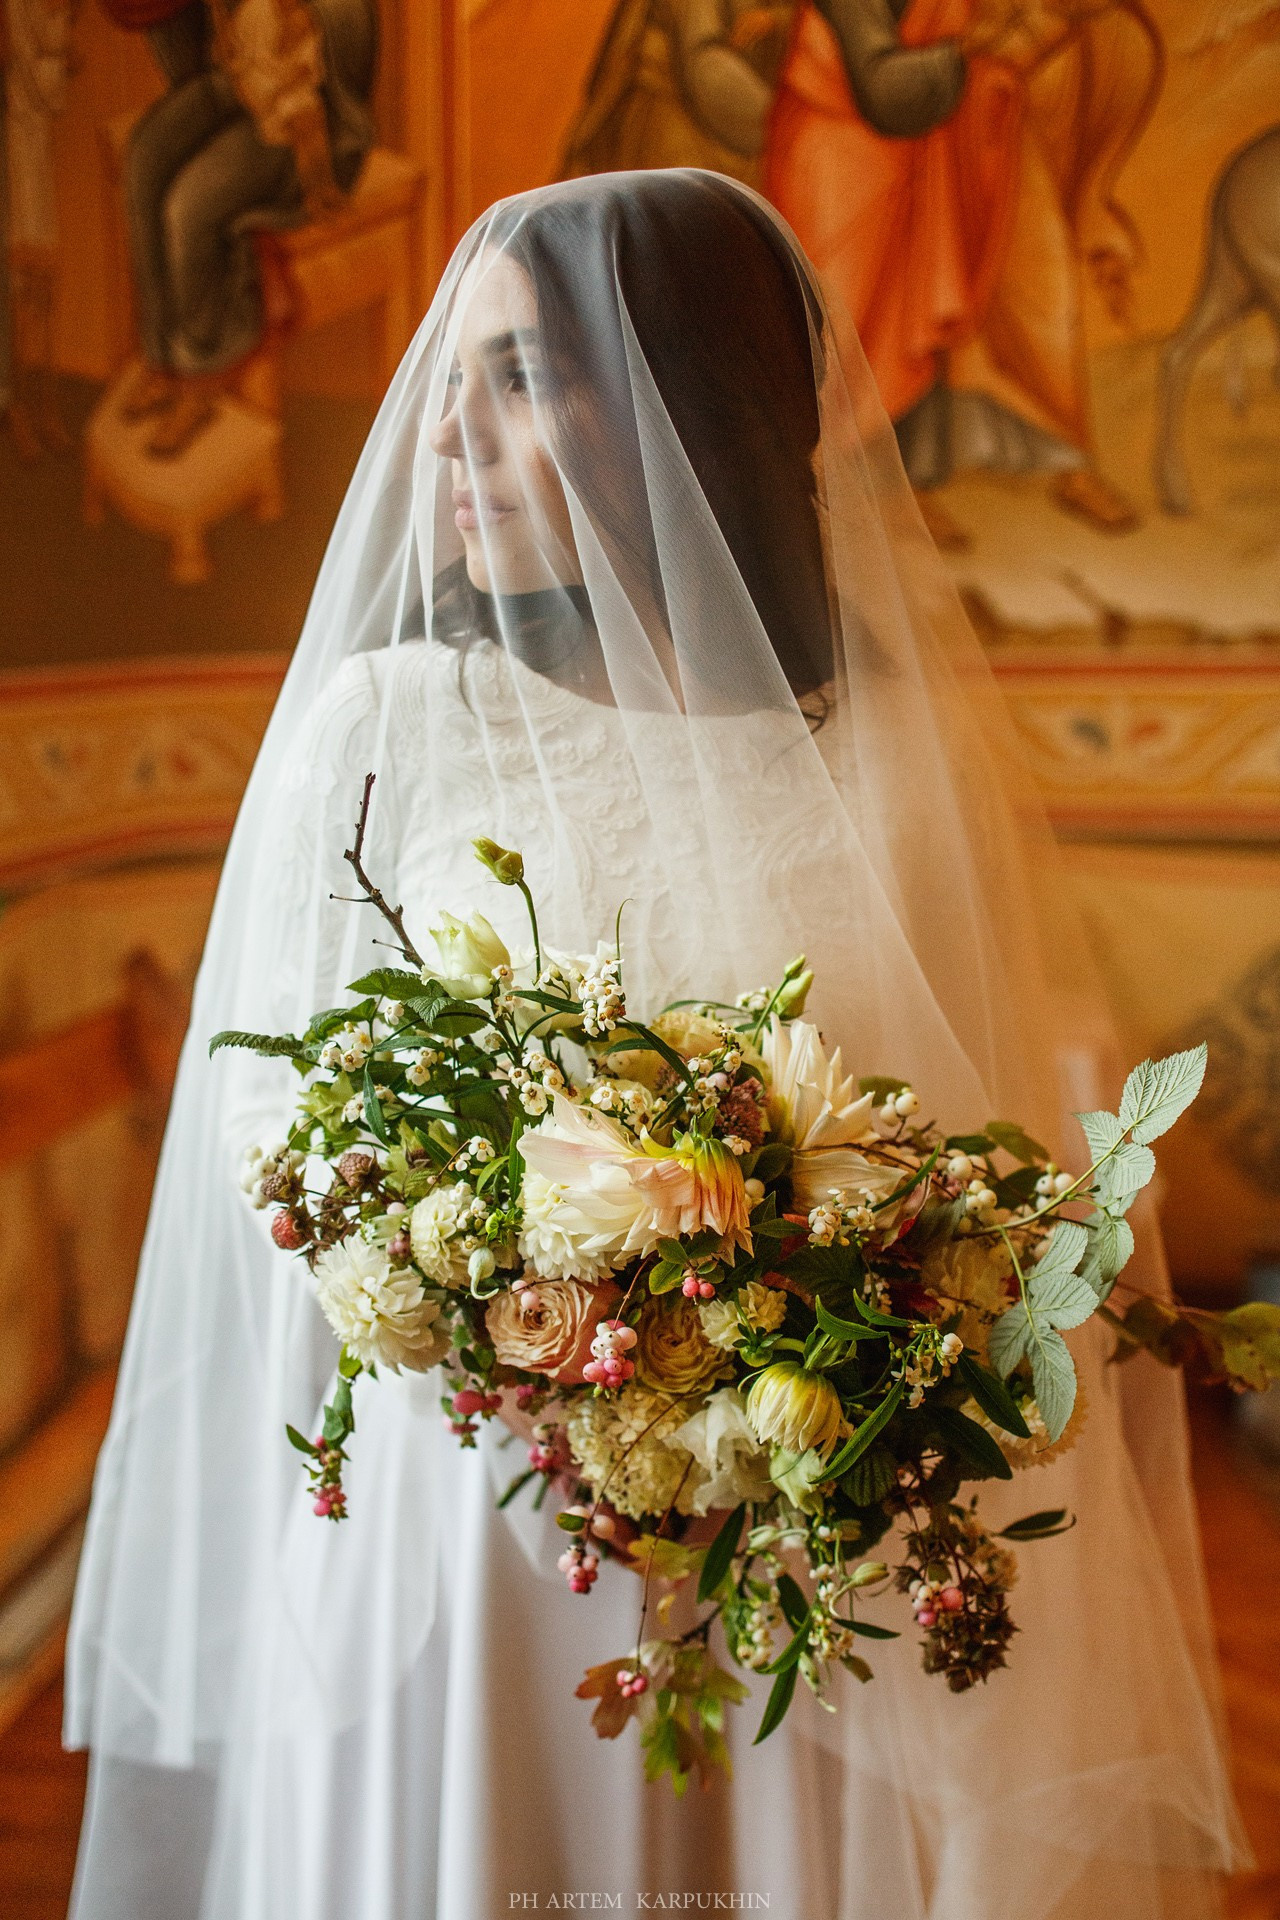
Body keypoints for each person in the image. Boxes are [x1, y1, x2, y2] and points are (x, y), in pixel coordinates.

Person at [65, 170, 1242, 1919]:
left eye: (525, 380)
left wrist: (791, 1313)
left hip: (792, 1554)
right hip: (456, 1541)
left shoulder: (891, 765)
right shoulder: (387, 730)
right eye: (448, 377)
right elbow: (268, 1156)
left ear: (690, 402)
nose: (446, 435)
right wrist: (495, 1294)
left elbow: (984, 1193)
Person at [764, 0, 1163, 545]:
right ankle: (870, 488)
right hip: (848, 153)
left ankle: (1061, 457)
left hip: (957, 143)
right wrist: (979, 48)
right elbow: (886, 95)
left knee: (1035, 293)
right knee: (862, 323)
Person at [105, 0, 377, 457]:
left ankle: (200, 371)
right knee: (145, 157)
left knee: (190, 202)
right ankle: (162, 355)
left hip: (302, 108)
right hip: (241, 74)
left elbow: (345, 31)